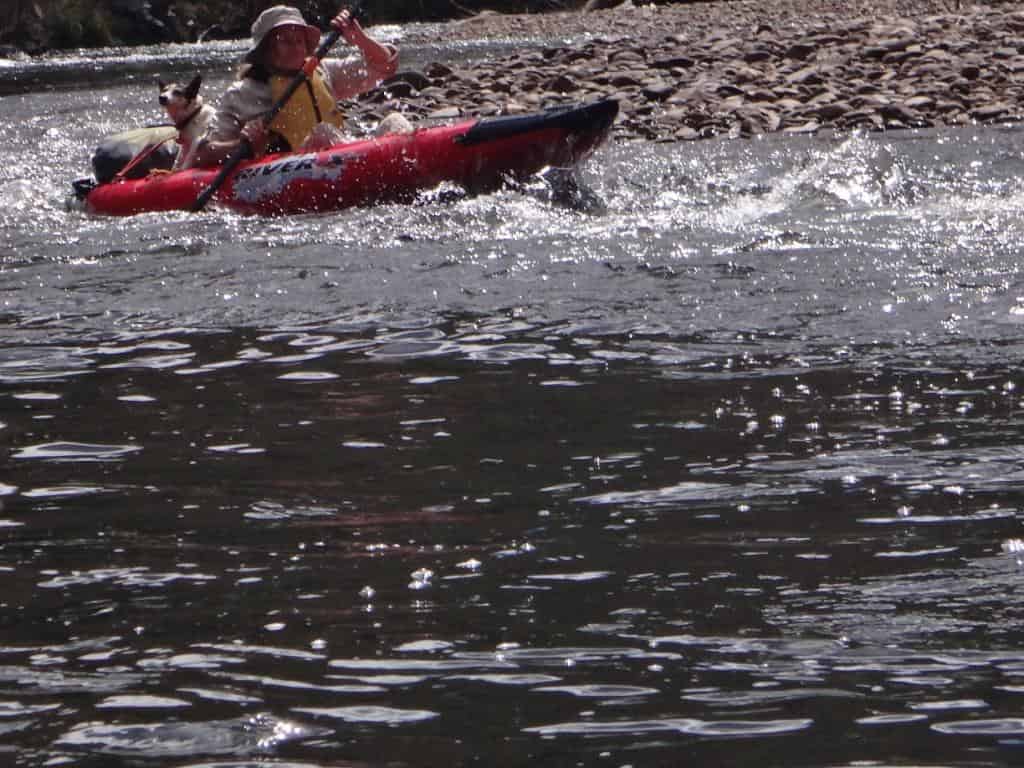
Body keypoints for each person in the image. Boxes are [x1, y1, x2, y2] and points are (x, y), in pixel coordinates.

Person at [193, 4, 410, 167]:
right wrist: (244, 144)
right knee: (322, 134)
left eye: (299, 40)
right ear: (266, 51)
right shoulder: (242, 93)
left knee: (395, 121)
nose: (296, 47)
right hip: (288, 171)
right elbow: (203, 153)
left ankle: (410, 168)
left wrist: (360, 39)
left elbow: (385, 67)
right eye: (285, 41)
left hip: (339, 158)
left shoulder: (324, 71)